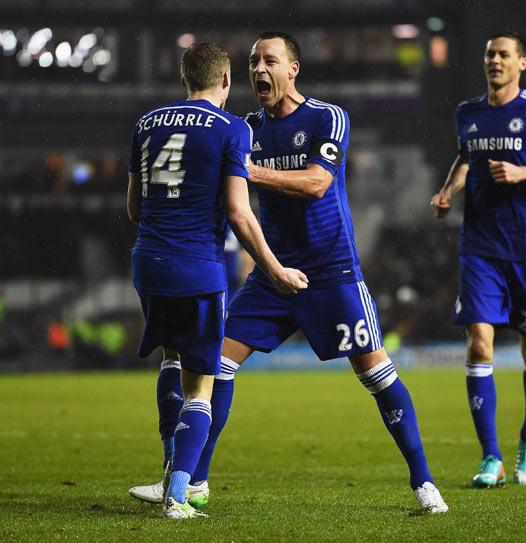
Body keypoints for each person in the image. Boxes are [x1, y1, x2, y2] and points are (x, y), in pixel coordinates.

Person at [130, 31, 448, 514]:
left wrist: (245, 170)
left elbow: (318, 183)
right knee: (215, 366)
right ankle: (193, 481)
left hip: (332, 270)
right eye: (254, 61)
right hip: (270, 275)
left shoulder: (326, 117)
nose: (260, 69)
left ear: (293, 69)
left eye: (271, 61)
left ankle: (424, 482)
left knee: (377, 375)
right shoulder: (244, 127)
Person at [127, 41, 307, 519]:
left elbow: (133, 207)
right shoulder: (232, 129)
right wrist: (274, 268)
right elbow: (238, 212)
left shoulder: (145, 124)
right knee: (202, 383)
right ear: (226, 80)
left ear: (185, 78)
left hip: (147, 261)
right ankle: (179, 494)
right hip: (197, 266)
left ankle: (167, 469)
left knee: (171, 356)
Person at [430, 33, 526, 488]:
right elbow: (465, 158)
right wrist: (448, 192)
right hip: (479, 245)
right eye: (489, 55)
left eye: (503, 55)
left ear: (522, 63)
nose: (495, 60)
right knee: (479, 342)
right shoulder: (468, 113)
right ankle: (491, 458)